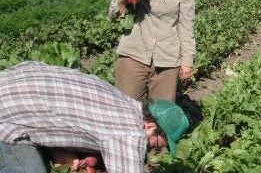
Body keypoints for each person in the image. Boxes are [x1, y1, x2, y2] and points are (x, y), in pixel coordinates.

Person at [0, 61, 190, 173]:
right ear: (149, 127)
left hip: (13, 81)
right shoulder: (128, 134)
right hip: (6, 113)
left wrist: (61, 154)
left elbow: (63, 113)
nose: (152, 149)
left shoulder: (124, 102)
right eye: (156, 145)